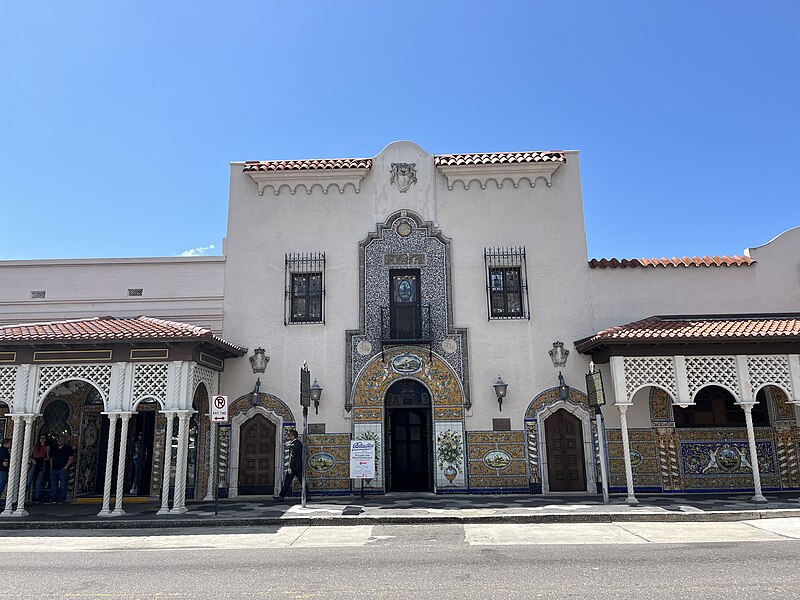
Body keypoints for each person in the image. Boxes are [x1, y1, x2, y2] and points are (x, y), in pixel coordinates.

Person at [275, 429, 303, 502]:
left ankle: (281, 496)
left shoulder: (293, 444)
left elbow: (292, 456)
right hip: (299, 466)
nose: (288, 437)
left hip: (293, 467)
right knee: (302, 481)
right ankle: (307, 495)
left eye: (289, 435)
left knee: (287, 481)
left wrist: (290, 467)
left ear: (292, 436)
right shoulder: (299, 443)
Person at [48, 435, 75, 504]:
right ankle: (52, 498)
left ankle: (62, 498)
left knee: (63, 484)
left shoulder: (67, 448)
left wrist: (66, 467)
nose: (59, 441)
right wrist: (51, 467)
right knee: (53, 485)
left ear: (65, 441)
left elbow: (71, 458)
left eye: (61, 440)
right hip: (54, 469)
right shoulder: (54, 448)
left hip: (63, 469)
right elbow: (51, 458)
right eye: (58, 440)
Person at [27, 434, 50, 503]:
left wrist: (42, 459)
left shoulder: (47, 447)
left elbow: (48, 457)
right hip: (34, 463)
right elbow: (30, 455)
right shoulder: (35, 446)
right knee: (29, 480)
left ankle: (37, 497)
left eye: (44, 438)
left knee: (38, 481)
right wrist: (32, 459)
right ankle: (23, 495)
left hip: (41, 463)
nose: (42, 439)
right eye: (41, 438)